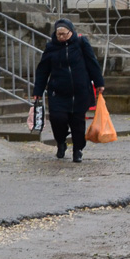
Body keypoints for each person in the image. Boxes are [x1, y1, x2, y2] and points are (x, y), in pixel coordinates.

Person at [32, 19, 105, 161]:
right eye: (59, 34)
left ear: (71, 32)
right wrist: (38, 91)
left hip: (79, 91)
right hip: (58, 92)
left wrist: (99, 83)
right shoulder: (51, 47)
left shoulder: (81, 43)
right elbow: (43, 71)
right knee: (57, 119)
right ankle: (61, 142)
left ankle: (77, 150)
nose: (61, 37)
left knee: (78, 123)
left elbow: (92, 63)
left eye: (64, 34)